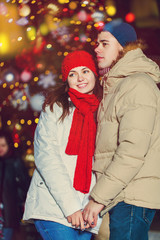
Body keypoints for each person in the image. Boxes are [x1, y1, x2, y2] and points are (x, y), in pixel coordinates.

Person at [83, 20, 160, 240]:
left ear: (124, 47)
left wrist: (97, 198)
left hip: (131, 198)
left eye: (104, 43)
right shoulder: (117, 86)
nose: (97, 48)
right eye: (96, 43)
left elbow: (132, 151)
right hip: (119, 196)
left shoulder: (137, 85)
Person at [23, 50, 102, 240]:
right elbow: (47, 159)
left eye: (85, 71)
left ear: (95, 74)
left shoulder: (103, 110)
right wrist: (71, 207)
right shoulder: (54, 108)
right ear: (66, 79)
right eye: (72, 74)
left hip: (86, 212)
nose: (80, 78)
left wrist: (92, 205)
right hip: (53, 206)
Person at [0, 130, 30, 240]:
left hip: (9, 212)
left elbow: (25, 184)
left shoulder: (15, 162)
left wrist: (18, 201)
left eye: (3, 145)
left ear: (8, 145)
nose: (1, 148)